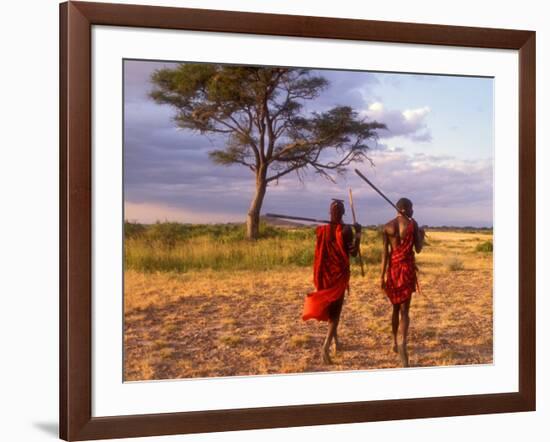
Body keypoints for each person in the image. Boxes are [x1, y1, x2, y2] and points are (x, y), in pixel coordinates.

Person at [302, 199, 361, 364]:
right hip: (338, 277)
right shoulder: (346, 230)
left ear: (330, 213)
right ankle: (326, 347)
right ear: (343, 213)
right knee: (336, 314)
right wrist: (359, 234)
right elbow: (354, 253)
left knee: (332, 311)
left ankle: (336, 343)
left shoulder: (322, 230)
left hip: (325, 276)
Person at [380, 197, 425, 367]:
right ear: (405, 209)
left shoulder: (387, 226)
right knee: (405, 311)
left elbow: (385, 254)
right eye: (412, 208)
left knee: (395, 308)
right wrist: (420, 233)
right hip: (406, 270)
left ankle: (394, 341)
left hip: (392, 270)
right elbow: (418, 249)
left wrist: (381, 277)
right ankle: (402, 343)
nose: (413, 211)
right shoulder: (412, 225)